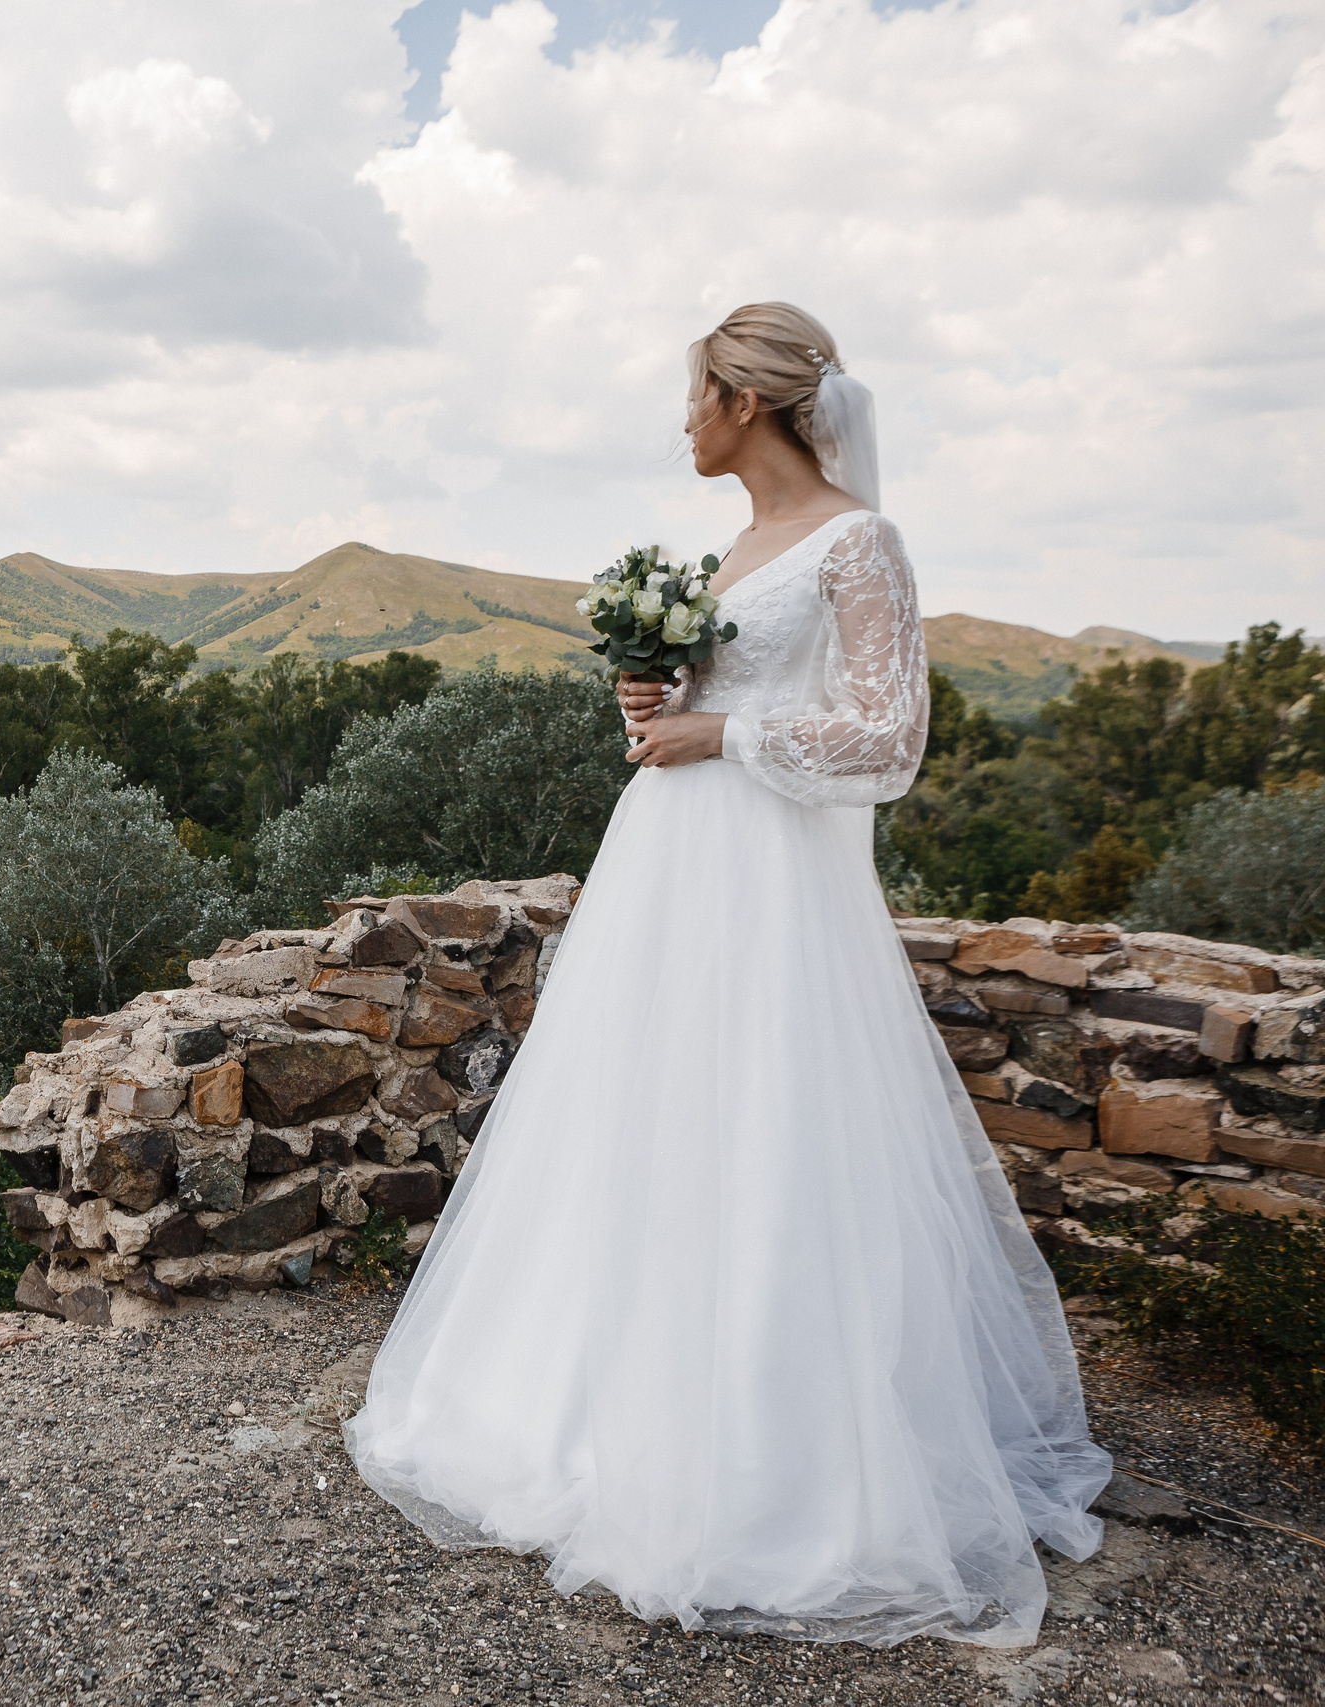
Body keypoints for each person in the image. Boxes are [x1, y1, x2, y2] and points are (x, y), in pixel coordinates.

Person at [343, 303, 1107, 1650]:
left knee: (771, 1121)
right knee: (647, 1117)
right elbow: (711, 707)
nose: (681, 417)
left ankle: (775, 1459)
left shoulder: (859, 541)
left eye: (691, 391)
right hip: (673, 872)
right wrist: (657, 704)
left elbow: (889, 736)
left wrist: (723, 727)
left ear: (743, 401)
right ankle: (604, 1403)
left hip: (773, 888)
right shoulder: (738, 545)